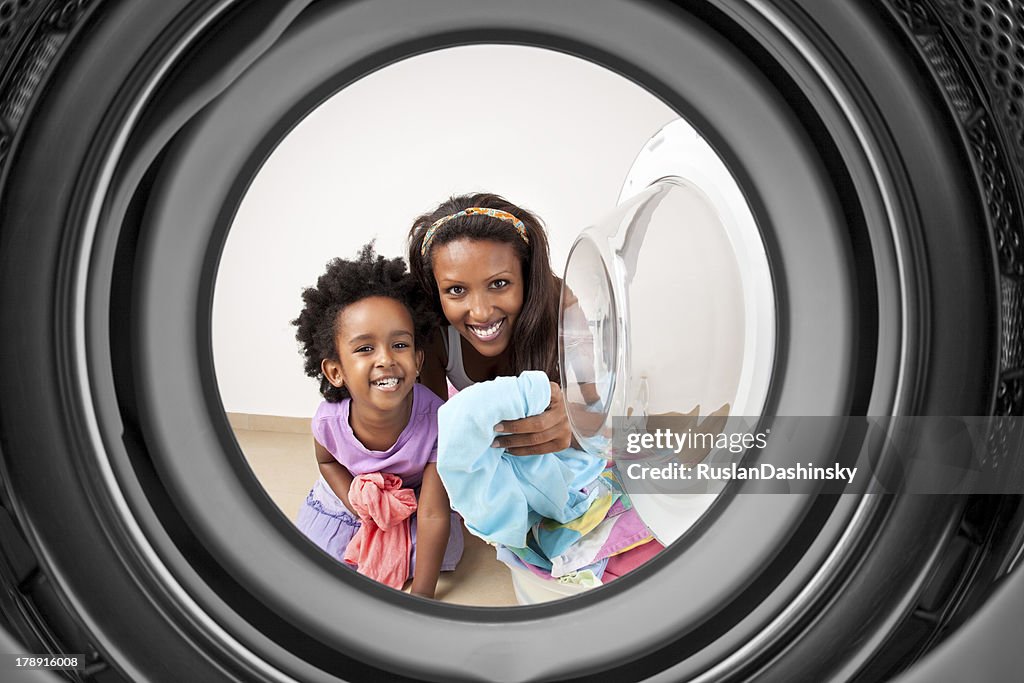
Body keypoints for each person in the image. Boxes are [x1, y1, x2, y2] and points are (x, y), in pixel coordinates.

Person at [292, 244, 462, 599]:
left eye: (399, 345)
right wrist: (357, 505)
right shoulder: (328, 421)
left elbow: (432, 513)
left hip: (414, 496)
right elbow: (327, 462)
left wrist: (424, 597)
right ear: (335, 371)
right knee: (320, 551)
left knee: (429, 550)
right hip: (354, 488)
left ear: (417, 360)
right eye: (365, 349)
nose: (385, 359)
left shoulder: (438, 424)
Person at [408, 193, 586, 455]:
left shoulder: (560, 303)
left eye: (499, 284)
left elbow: (600, 408)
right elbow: (436, 438)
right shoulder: (434, 333)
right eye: (456, 290)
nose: (480, 313)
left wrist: (573, 427)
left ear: (526, 276)